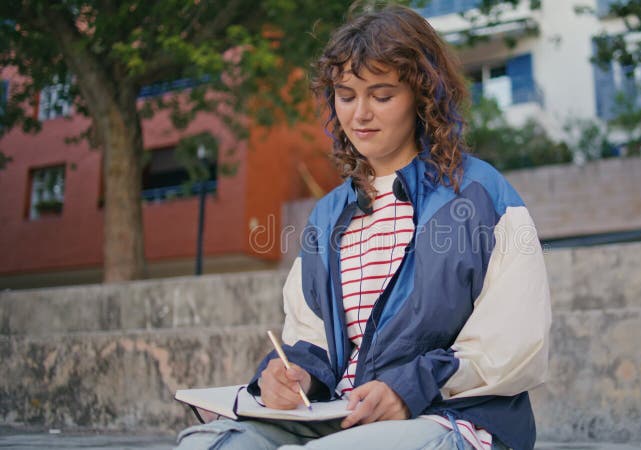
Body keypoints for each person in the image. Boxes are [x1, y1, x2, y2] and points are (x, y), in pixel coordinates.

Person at [175, 4, 550, 450]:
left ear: (422, 94)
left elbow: (516, 344)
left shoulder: (484, 196)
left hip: (454, 419)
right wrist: (291, 377)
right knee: (208, 445)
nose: (360, 115)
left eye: (382, 95)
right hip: (342, 416)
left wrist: (405, 391)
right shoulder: (328, 215)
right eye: (347, 95)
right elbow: (311, 339)